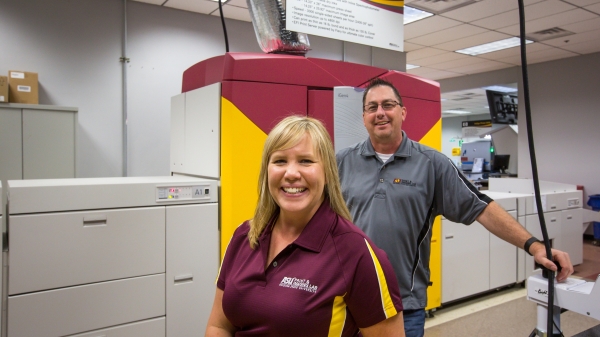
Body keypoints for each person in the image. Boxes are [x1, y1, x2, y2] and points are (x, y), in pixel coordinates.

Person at [336, 78, 574, 337]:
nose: (380, 112)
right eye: (372, 107)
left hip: (403, 304)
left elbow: (481, 208)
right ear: (363, 117)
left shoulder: (432, 164)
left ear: (402, 112)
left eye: (388, 105)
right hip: (347, 299)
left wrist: (535, 246)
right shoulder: (341, 162)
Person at [205, 115, 406, 337]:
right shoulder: (244, 236)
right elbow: (219, 326)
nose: (291, 174)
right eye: (280, 161)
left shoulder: (356, 253)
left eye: (306, 161)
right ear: (266, 171)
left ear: (328, 172)